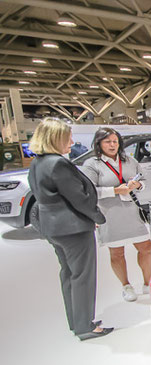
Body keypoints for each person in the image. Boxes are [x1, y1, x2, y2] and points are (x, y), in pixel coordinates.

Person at [27, 118, 112, 340]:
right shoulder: (58, 163)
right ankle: (86, 326)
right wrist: (97, 217)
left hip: (53, 228)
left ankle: (77, 321)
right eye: (68, 137)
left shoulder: (37, 163)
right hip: (73, 228)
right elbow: (79, 199)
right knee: (83, 275)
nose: (72, 142)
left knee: (68, 274)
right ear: (55, 139)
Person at [82, 127, 151, 303]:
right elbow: (89, 192)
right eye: (108, 142)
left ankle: (147, 283)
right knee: (117, 253)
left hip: (131, 211)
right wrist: (114, 190)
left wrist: (137, 185)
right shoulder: (92, 164)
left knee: (146, 247)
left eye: (115, 141)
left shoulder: (129, 160)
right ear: (99, 144)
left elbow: (143, 181)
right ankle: (126, 285)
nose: (112, 145)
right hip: (110, 213)